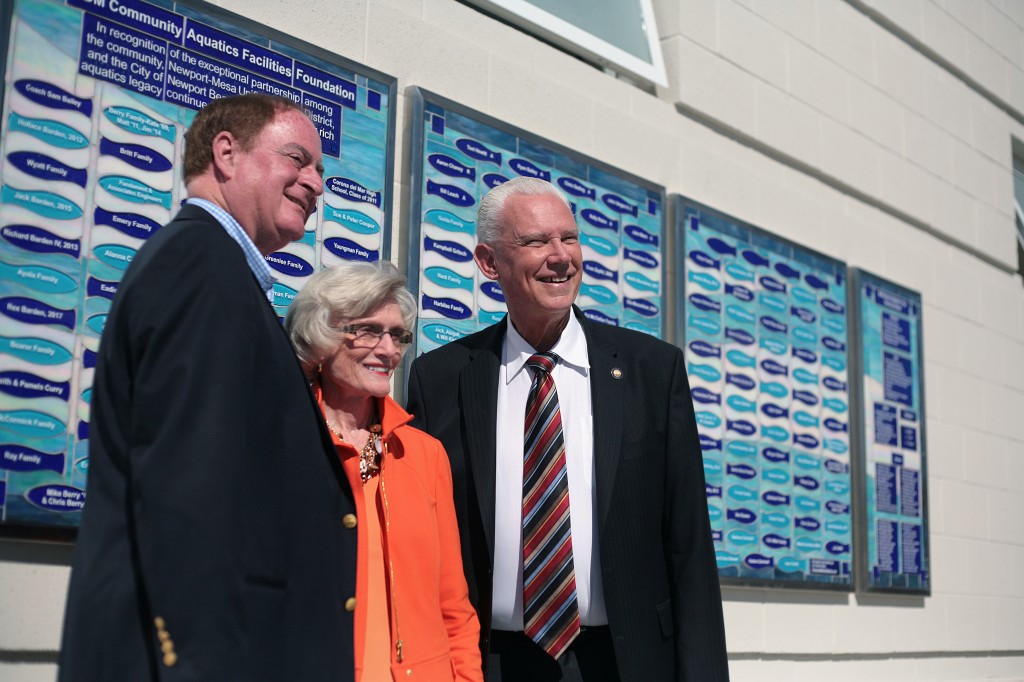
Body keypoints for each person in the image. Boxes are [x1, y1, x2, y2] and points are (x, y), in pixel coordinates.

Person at [59, 94, 357, 681]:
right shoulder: (203, 269)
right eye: (298, 159)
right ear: (226, 152)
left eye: (321, 170)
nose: (315, 183)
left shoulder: (214, 270)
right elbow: (187, 493)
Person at [406, 177, 730, 681]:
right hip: (489, 662)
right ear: (489, 262)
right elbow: (421, 538)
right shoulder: (442, 377)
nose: (561, 257)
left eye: (570, 238)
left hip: (625, 662)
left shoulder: (651, 370)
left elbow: (689, 543)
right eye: (536, 242)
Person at [285, 261, 484, 682]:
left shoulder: (425, 453)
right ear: (320, 336)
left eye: (397, 335)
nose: (389, 349)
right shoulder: (282, 443)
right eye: (369, 330)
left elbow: (454, 604)